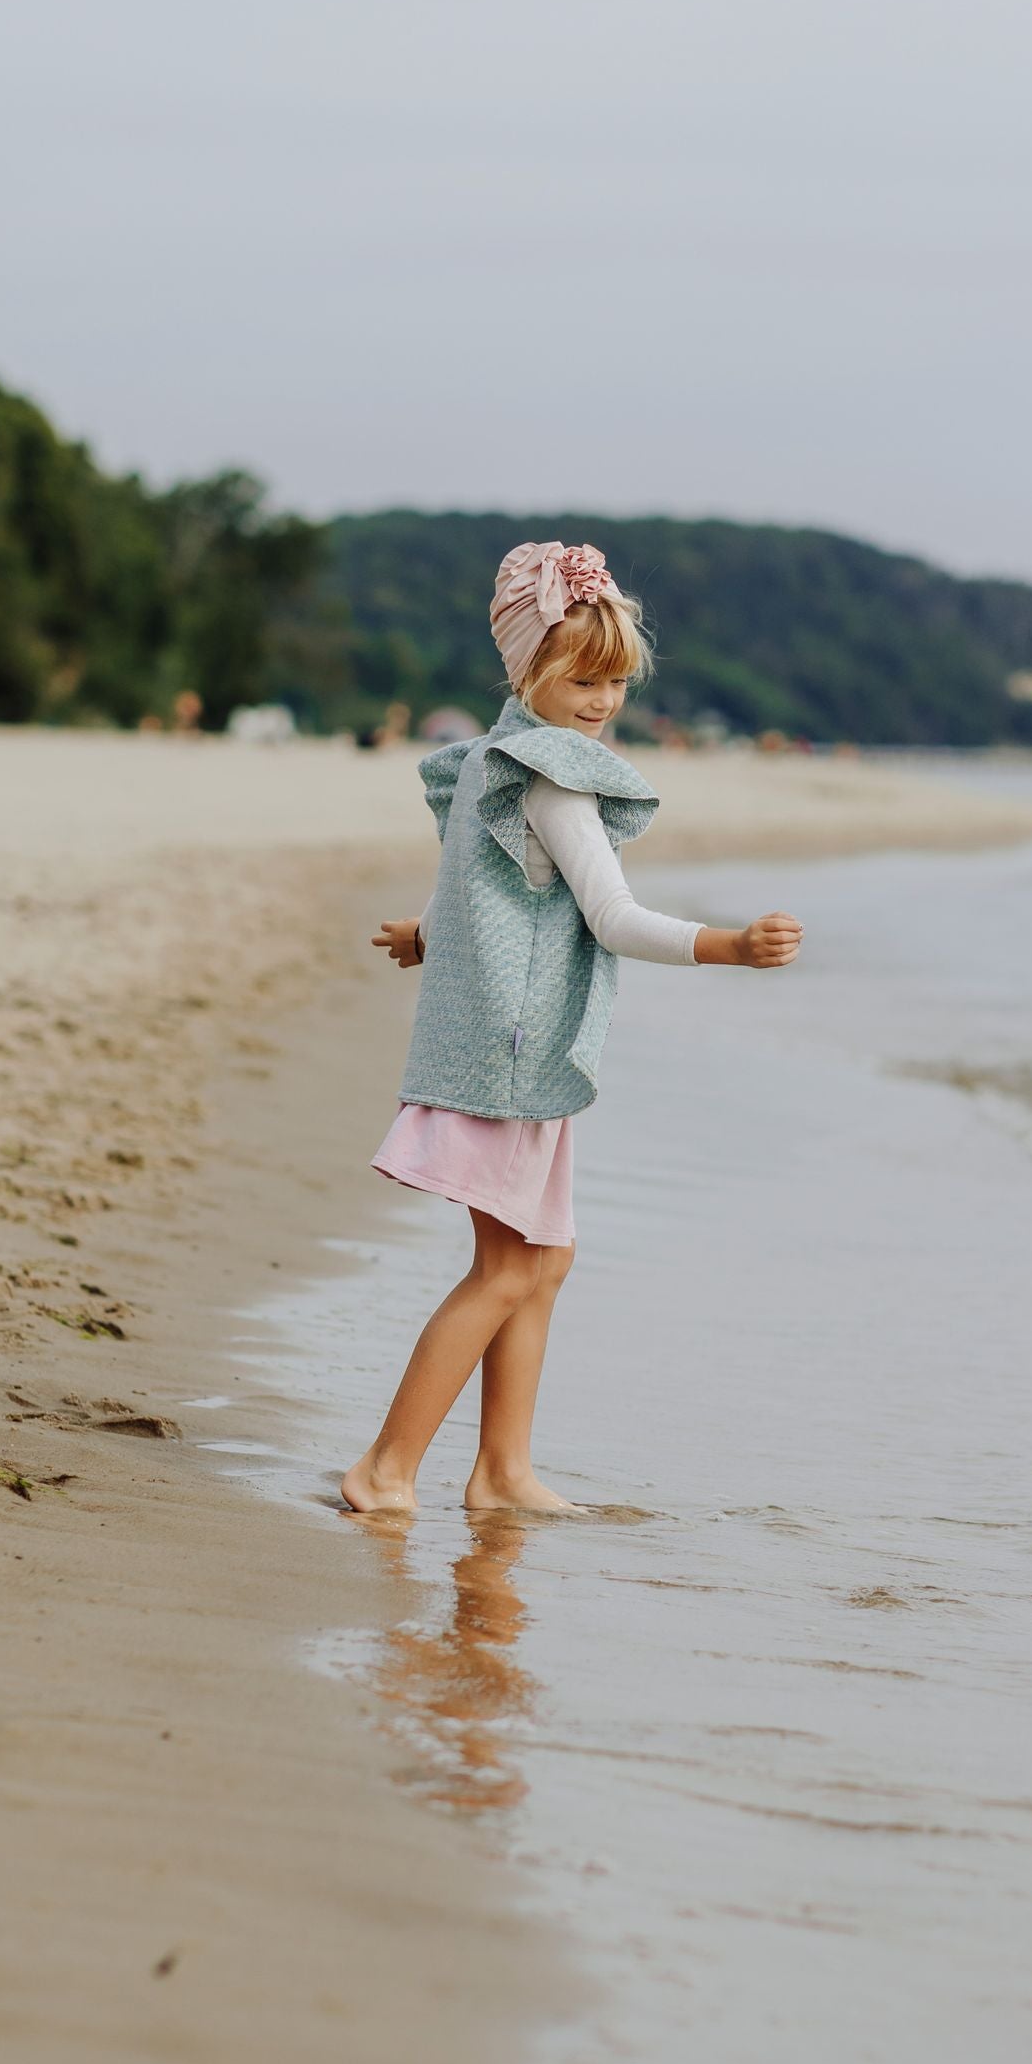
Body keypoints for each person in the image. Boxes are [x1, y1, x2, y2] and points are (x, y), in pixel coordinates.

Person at [341, 540, 803, 1519]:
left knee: (543, 1261)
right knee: (509, 1267)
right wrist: (729, 945)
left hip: (505, 1043)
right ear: (525, 669)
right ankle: (385, 1468)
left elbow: (479, 886)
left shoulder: (486, 760)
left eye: (615, 683)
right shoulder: (551, 779)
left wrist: (427, 933)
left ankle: (502, 1471)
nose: (600, 703)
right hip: (510, 1054)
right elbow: (612, 917)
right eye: (580, 679)